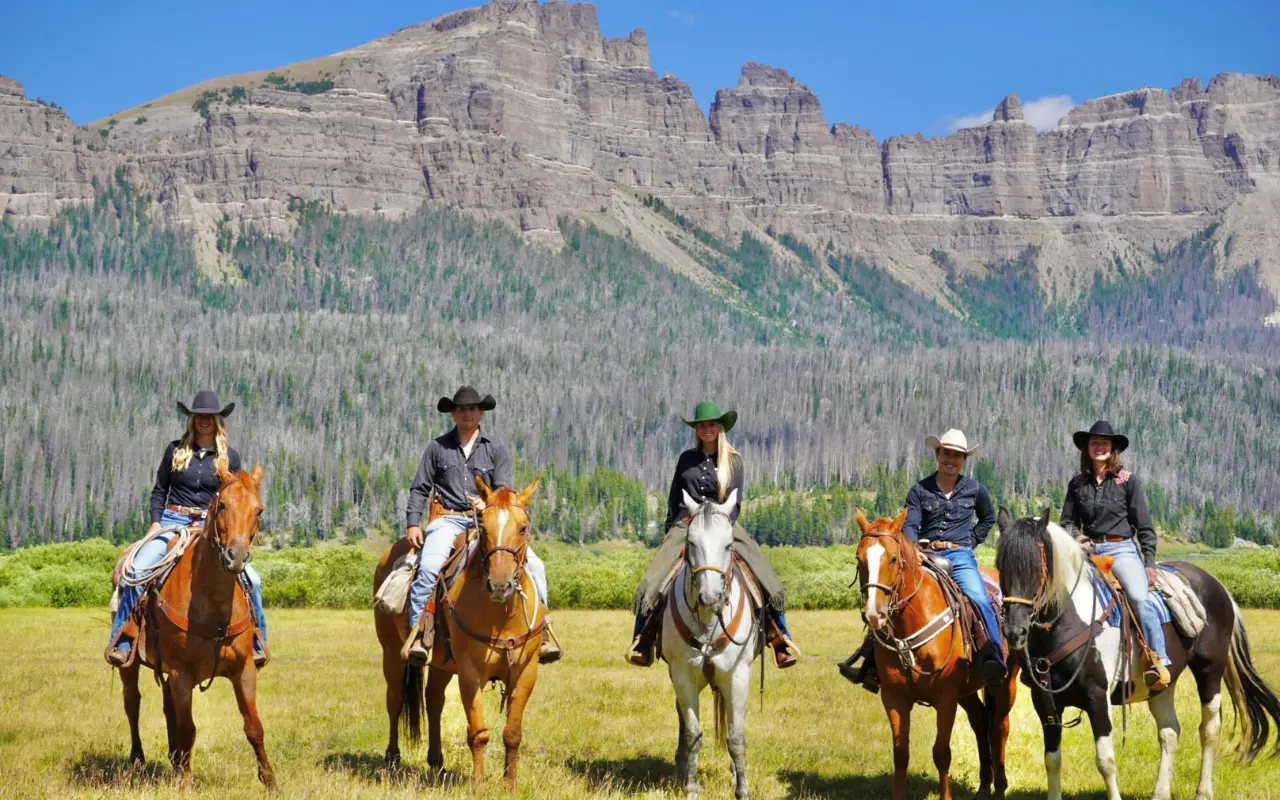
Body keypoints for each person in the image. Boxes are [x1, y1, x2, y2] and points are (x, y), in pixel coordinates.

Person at [627, 401, 797, 669]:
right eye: (702, 426)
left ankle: (780, 639)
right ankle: (642, 641)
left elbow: (735, 504)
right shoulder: (686, 459)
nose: (707, 430)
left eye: (711, 425)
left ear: (720, 428)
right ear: (697, 430)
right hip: (687, 524)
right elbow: (674, 499)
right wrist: (671, 530)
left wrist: (720, 527)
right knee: (652, 579)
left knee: (764, 574)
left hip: (724, 525)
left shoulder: (734, 461)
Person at [106, 391, 268, 668]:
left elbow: (239, 500)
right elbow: (159, 491)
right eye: (199, 415)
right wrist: (156, 523)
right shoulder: (174, 451)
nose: (204, 420)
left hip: (211, 529)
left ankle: (256, 640)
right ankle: (123, 638)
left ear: (217, 421)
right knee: (136, 570)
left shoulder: (230, 457)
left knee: (253, 581)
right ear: (192, 419)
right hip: (173, 522)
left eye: (209, 416)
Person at [402, 385, 560, 666]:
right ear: (453, 413)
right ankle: (420, 635)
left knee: (536, 566)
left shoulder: (495, 448)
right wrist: (413, 524)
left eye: (472, 409)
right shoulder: (438, 447)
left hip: (486, 522)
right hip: (447, 519)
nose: (467, 414)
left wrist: (488, 504)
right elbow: (419, 488)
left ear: (480, 413)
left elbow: (504, 491)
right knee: (428, 568)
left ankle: (543, 631)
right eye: (461, 409)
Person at [841, 428, 1004, 691]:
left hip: (960, 556)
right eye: (946, 454)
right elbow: (910, 525)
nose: (951, 460)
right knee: (895, 596)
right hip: (925, 554)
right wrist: (913, 547)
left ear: (964, 459)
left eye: (957, 455)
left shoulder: (975, 489)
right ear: (938, 455)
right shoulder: (920, 490)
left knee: (979, 598)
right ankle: (871, 663)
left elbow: (987, 518)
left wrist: (970, 542)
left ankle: (992, 659)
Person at [1061, 420, 1170, 691]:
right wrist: (1078, 537)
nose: (1099, 447)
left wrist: (1149, 563)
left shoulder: (1127, 481)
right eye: (1094, 442)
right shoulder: (1077, 484)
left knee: (1139, 598)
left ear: (1112, 449)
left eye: (1104, 443)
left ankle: (1158, 659)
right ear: (1087, 448)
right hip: (1089, 553)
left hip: (1121, 551)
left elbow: (1144, 526)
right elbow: (1067, 522)